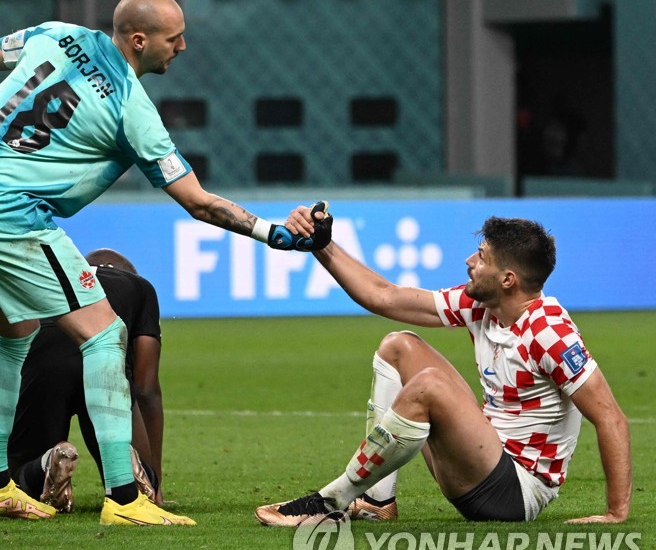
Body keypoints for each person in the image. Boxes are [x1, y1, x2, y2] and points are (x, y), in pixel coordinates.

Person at [0, 0, 316, 527]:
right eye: (174, 37)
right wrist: (274, 233)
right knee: (104, 334)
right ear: (139, 41)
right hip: (9, 212)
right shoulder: (130, 108)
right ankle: (123, 497)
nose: (183, 46)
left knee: (15, 333)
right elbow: (198, 202)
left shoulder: (55, 34)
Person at [255, 207, 632, 525]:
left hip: (516, 492)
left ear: (508, 279)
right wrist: (323, 247)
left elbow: (610, 417)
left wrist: (616, 512)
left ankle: (330, 502)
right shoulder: (483, 304)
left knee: (431, 384)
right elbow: (385, 297)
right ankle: (376, 500)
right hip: (485, 456)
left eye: (481, 256)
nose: (470, 262)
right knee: (398, 346)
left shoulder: (550, 332)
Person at [8, 248, 166, 513]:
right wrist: (157, 480)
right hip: (104, 363)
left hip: (46, 359)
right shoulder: (139, 286)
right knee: (128, 487)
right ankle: (131, 470)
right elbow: (147, 387)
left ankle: (47, 463)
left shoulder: (51, 278)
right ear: (128, 272)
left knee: (22, 480)